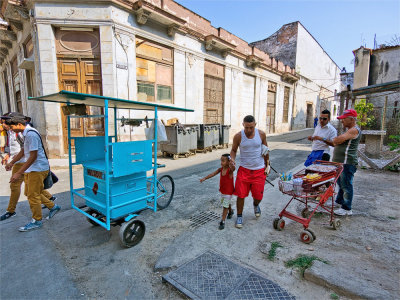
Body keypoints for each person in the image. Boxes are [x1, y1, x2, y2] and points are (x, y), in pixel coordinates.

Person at [5, 112, 61, 231]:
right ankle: (53, 206)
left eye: (12, 127)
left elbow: (33, 156)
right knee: (30, 193)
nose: (11, 129)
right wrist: (11, 162)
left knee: (32, 196)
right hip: (33, 169)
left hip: (37, 168)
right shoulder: (25, 133)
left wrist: (18, 172)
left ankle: (37, 220)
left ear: (19, 124)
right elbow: (23, 151)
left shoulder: (30, 134)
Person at [229, 115, 270, 228]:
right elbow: (233, 150)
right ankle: (239, 216)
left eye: (251, 127)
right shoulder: (238, 136)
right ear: (243, 125)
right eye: (246, 127)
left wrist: (268, 165)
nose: (248, 130)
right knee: (240, 195)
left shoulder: (261, 134)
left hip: (259, 170)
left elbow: (266, 150)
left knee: (258, 197)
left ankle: (255, 205)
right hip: (244, 171)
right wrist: (232, 160)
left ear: (255, 125)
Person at [331, 109, 362, 216]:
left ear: (351, 119)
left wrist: (336, 139)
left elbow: (338, 140)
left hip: (347, 163)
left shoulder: (354, 130)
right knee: (341, 183)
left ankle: (347, 208)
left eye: (344, 119)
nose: (342, 121)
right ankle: (339, 202)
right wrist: (336, 139)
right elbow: (337, 140)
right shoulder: (349, 130)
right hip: (342, 163)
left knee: (346, 185)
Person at [200, 154, 235, 230]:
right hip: (223, 190)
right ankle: (231, 211)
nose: (221, 162)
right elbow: (213, 174)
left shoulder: (230, 171)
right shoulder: (220, 169)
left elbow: (233, 168)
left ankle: (223, 221)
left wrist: (232, 164)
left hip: (228, 191)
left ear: (228, 162)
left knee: (225, 205)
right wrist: (204, 178)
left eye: (223, 161)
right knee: (226, 203)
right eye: (221, 160)